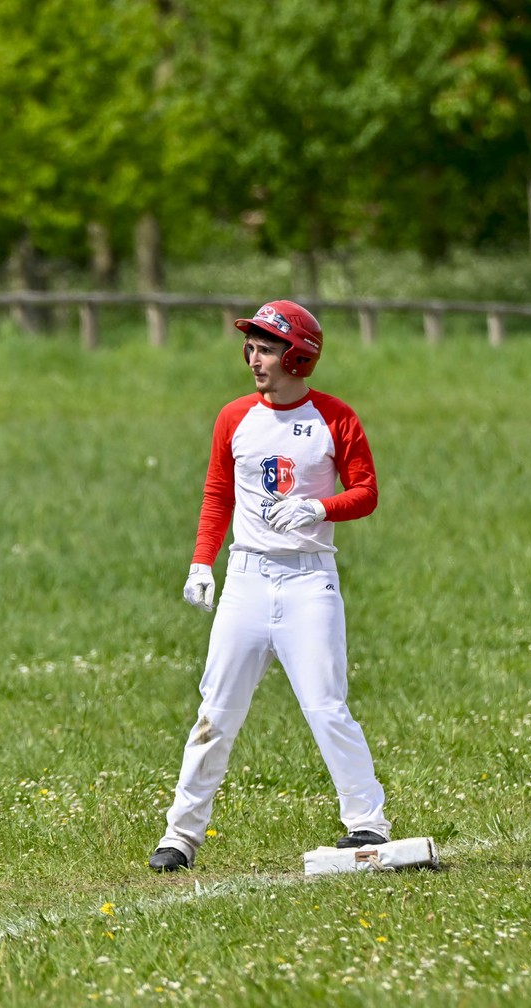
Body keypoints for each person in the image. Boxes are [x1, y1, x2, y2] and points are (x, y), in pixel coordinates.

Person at [149, 300, 392, 872]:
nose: (254, 358)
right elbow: (218, 494)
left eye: (266, 347)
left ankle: (367, 823)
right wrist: (201, 562)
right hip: (246, 580)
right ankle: (181, 836)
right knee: (216, 710)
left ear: (298, 356)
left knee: (327, 706)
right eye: (251, 347)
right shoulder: (234, 417)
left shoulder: (335, 417)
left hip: (310, 583)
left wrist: (317, 507)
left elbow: (367, 492)